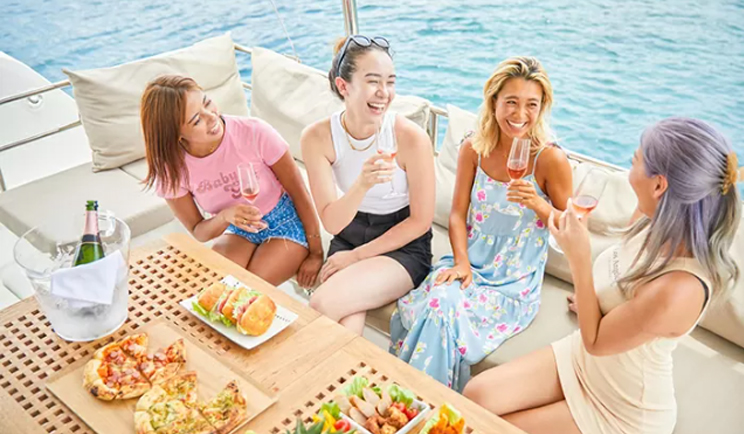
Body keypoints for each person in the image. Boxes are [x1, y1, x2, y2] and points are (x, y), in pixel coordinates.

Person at [463, 117, 742, 434]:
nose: (629, 170)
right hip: (581, 359)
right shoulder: (649, 220)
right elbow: (624, 293)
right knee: (475, 396)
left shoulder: (681, 288)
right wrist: (593, 302)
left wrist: (579, 259)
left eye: (635, 161)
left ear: (659, 185)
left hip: (622, 409)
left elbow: (596, 340)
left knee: (488, 430)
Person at [390, 56, 573, 391]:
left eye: (531, 104)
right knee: (438, 303)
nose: (520, 114)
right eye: (511, 102)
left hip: (512, 282)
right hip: (470, 263)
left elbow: (572, 230)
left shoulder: (550, 159)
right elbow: (457, 213)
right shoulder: (473, 148)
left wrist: (538, 204)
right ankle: (419, 401)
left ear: (543, 107)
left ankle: (413, 396)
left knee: (441, 310)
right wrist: (462, 263)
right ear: (494, 101)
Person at [301, 35, 435, 335]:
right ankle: (346, 369)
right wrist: (362, 184)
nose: (384, 93)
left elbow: (420, 221)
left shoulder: (410, 138)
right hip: (349, 235)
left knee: (321, 305)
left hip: (402, 244)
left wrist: (357, 257)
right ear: (343, 86)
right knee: (343, 322)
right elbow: (332, 222)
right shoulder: (317, 138)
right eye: (373, 81)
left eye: (390, 82)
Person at [141, 75, 323, 288]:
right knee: (215, 287)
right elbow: (199, 231)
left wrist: (316, 253)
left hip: (284, 222)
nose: (211, 117)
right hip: (238, 230)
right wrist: (225, 217)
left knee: (248, 289)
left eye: (207, 102)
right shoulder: (171, 170)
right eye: (197, 120)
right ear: (175, 134)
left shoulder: (254, 132)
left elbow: (299, 192)